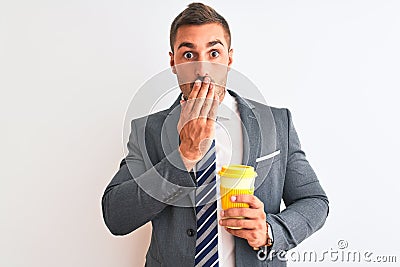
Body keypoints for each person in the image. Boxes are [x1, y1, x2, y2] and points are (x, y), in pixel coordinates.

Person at [102, 3, 329, 266]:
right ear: (173, 62)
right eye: (189, 55)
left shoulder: (276, 123)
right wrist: (184, 155)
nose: (202, 70)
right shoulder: (148, 131)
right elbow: (116, 217)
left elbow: (314, 201)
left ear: (229, 60)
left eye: (213, 52)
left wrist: (269, 230)